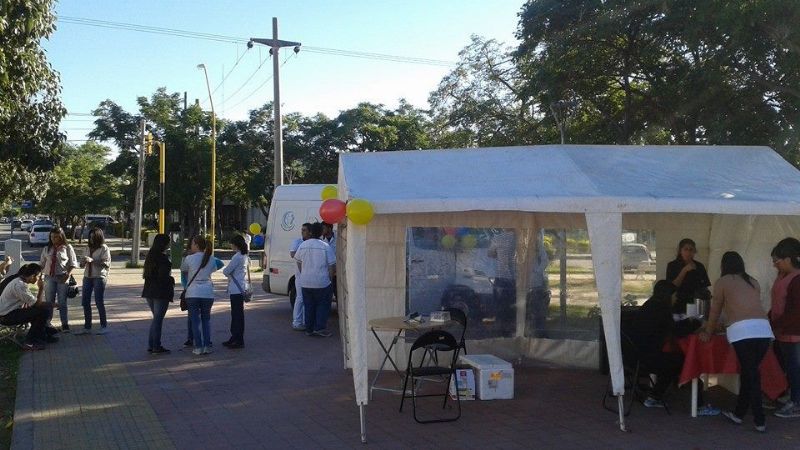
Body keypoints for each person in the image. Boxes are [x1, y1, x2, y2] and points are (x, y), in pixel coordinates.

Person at [700, 251, 773, 432]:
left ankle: (759, 420)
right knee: (750, 373)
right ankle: (739, 414)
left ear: (724, 265)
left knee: (752, 375)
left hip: (742, 332)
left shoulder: (723, 282)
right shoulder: (753, 281)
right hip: (764, 329)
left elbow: (715, 310)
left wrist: (708, 332)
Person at [768, 237, 800, 419]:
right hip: (781, 331)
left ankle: (797, 403)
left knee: (795, 368)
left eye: (777, 261)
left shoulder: (797, 279)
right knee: (786, 366)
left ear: (788, 259)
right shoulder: (782, 276)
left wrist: (775, 324)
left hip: (793, 332)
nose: (774, 265)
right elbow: (778, 302)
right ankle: (791, 395)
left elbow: (795, 311)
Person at [0, 263, 57, 350]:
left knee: (40, 310)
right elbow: (37, 304)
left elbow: (34, 302)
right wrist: (41, 288)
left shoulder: (20, 282)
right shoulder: (19, 285)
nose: (39, 279)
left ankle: (44, 335)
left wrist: (50, 304)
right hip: (6, 317)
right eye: (38, 276)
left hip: (10, 313)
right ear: (32, 276)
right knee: (43, 311)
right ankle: (30, 342)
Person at [294, 222, 335, 337]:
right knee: (322, 306)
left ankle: (309, 329)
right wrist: (330, 278)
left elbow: (298, 261)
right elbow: (331, 265)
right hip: (322, 282)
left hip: (306, 282)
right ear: (321, 233)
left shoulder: (303, 245)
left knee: (309, 306)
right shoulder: (325, 246)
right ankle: (320, 328)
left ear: (311, 232)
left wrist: (304, 273)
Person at [180, 235, 219, 355]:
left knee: (195, 321)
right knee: (206, 320)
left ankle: (198, 347)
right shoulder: (211, 258)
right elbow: (214, 269)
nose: (191, 246)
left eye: (192, 244)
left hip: (192, 292)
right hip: (207, 292)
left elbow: (183, 269)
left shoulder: (189, 258)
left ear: (196, 245)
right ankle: (207, 346)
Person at [39, 227, 78, 331]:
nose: (53, 239)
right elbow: (41, 264)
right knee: (49, 302)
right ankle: (48, 324)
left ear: (61, 236)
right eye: (52, 237)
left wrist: (67, 275)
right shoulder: (47, 248)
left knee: (62, 302)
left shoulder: (67, 247)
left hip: (62, 277)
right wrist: (39, 276)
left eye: (56, 237)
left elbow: (73, 263)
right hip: (49, 277)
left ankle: (64, 324)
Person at [141, 234, 174, 355]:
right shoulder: (163, 259)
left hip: (149, 291)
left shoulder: (150, 256)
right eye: (168, 242)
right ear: (164, 244)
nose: (169, 245)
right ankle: (156, 346)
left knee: (156, 319)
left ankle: (152, 345)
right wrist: (171, 280)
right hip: (160, 293)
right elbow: (163, 277)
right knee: (158, 320)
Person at [77, 228, 111, 335]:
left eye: (93, 237)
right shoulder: (87, 248)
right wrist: (82, 262)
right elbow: (81, 265)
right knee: (85, 302)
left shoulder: (104, 248)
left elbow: (106, 264)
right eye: (90, 237)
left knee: (98, 301)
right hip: (87, 276)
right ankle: (87, 327)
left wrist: (93, 261)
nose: (91, 239)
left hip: (99, 277)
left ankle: (104, 326)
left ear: (98, 237)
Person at [666, 238, 711, 317]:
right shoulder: (672, 265)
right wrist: (684, 270)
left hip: (696, 304)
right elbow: (671, 287)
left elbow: (704, 286)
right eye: (685, 249)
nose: (688, 252)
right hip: (678, 304)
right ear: (680, 251)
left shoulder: (699, 266)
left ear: (694, 251)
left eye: (691, 250)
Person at [222, 234, 249, 349]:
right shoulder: (244, 256)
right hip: (241, 287)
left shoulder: (237, 257)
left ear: (236, 245)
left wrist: (227, 272)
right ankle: (235, 337)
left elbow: (226, 271)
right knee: (238, 315)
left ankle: (238, 339)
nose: (231, 245)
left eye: (232, 243)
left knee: (236, 315)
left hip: (235, 289)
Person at [487, 229, 516, 325]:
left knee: (500, 304)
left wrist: (498, 254)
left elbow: (490, 253)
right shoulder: (519, 239)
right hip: (514, 277)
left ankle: (501, 326)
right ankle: (510, 325)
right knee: (512, 305)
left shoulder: (498, 238)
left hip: (501, 276)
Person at [527, 229, 550, 338]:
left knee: (537, 309)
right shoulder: (522, 247)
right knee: (528, 310)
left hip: (536, 283)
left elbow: (545, 261)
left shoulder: (539, 247)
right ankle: (530, 332)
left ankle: (539, 332)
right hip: (525, 283)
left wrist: (537, 271)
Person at [289, 223, 311, 331]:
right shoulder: (297, 242)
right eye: (302, 230)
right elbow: (293, 254)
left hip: (311, 274)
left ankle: (305, 321)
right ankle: (296, 322)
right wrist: (304, 250)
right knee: (300, 297)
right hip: (300, 275)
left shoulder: (313, 242)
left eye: (305, 230)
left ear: (310, 232)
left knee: (308, 299)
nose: (302, 232)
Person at [322, 222, 337, 301]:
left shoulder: (338, 237)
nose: (322, 230)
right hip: (325, 273)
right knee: (326, 297)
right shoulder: (320, 240)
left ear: (330, 228)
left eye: (323, 228)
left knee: (338, 295)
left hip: (337, 273)